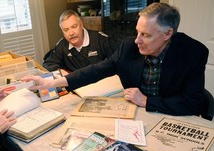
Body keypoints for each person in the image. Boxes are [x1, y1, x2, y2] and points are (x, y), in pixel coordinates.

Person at [22, 3, 209, 117]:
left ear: (168, 33)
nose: (137, 40)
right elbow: (96, 70)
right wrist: (53, 82)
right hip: (137, 117)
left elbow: (192, 104)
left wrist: (146, 101)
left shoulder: (193, 53)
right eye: (137, 32)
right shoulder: (129, 47)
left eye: (145, 35)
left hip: (171, 117)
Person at [43, 10, 118, 75]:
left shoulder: (101, 39)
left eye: (74, 26)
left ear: (81, 25)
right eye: (66, 30)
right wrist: (60, 71)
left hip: (104, 83)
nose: (71, 33)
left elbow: (121, 60)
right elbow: (47, 64)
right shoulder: (62, 45)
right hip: (78, 86)